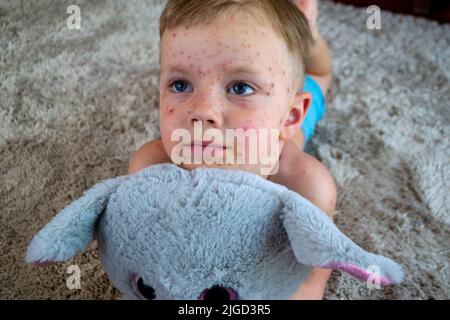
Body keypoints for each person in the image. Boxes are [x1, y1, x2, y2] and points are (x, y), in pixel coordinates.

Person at [128, 0, 336, 299]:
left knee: (320, 75)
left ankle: (310, 31)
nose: (202, 111)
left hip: (289, 131)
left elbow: (307, 286)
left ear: (290, 115)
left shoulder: (306, 185)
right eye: (180, 85)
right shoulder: (152, 166)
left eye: (240, 87)